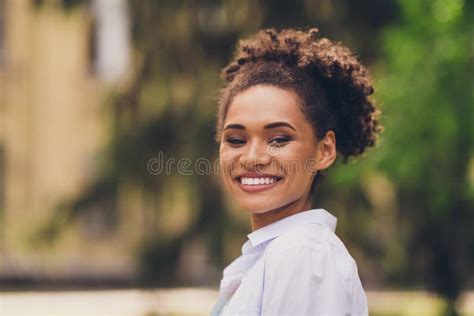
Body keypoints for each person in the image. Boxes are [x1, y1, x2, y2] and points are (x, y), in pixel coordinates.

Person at [211, 28, 381, 315]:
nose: (253, 158)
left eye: (279, 139)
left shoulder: (301, 255)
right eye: (236, 140)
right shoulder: (270, 256)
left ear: (324, 150)